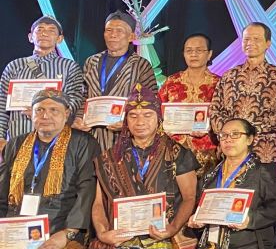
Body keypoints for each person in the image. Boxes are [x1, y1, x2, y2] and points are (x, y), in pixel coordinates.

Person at [73, 83, 199, 249]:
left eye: (148, 115)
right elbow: (97, 203)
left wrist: (171, 229)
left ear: (158, 118)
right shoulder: (108, 157)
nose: (140, 122)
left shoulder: (178, 153)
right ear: (125, 120)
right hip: (120, 235)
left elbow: (189, 198)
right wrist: (103, 233)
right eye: (133, 116)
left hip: (159, 235)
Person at [176, 118, 276, 249]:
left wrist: (250, 220)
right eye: (224, 136)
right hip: (211, 246)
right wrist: (195, 221)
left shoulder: (261, 173)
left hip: (245, 247)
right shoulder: (211, 175)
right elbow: (201, 208)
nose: (228, 140)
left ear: (250, 139)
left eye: (236, 135)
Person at [0, 89, 99, 249]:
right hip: (17, 229)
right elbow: (3, 191)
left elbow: (86, 190)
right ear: (31, 114)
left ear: (67, 114)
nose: (46, 116)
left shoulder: (83, 143)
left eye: (54, 110)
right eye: (40, 110)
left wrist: (68, 233)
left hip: (60, 229)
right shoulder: (16, 144)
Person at [208, 23, 276, 177]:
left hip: (264, 151)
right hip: (231, 150)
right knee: (233, 198)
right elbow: (215, 110)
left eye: (256, 39)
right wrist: (230, 134)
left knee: (266, 198)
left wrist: (247, 131)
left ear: (268, 44)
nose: (250, 43)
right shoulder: (229, 76)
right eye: (246, 39)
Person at [0, 16, 85, 150]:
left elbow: (74, 99)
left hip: (55, 138)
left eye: (51, 30)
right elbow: (2, 103)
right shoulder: (14, 66)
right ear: (30, 37)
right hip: (19, 135)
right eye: (39, 30)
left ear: (60, 39)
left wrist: (47, 112)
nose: (44, 33)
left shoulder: (69, 66)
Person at [80, 11, 158, 152]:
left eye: (119, 31)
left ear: (131, 37)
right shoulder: (91, 61)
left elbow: (151, 102)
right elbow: (83, 95)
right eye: (109, 30)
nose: (113, 35)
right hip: (91, 135)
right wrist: (79, 119)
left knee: (119, 172)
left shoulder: (140, 64)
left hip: (124, 138)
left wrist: (128, 123)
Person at [157, 32, 220, 179]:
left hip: (208, 152)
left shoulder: (220, 84)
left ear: (209, 54)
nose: (194, 54)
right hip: (175, 151)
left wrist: (210, 127)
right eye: (189, 50)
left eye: (199, 50)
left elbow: (225, 117)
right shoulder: (171, 82)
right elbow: (157, 114)